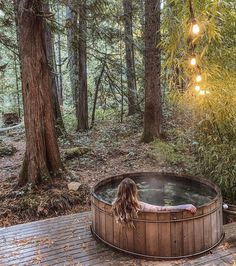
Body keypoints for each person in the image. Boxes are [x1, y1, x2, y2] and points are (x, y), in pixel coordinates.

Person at [112, 177, 197, 227]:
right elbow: (162, 209)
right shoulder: (139, 206)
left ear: (119, 190)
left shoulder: (115, 205)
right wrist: (184, 206)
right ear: (134, 191)